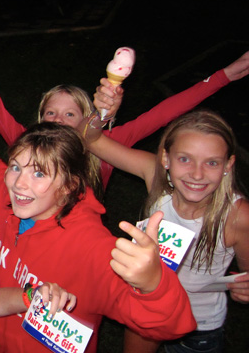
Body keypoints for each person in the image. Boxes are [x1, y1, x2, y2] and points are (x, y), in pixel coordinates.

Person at [0, 113, 196, 352]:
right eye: (15, 167)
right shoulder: (15, 202)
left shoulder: (91, 248)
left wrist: (153, 284)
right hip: (2, 344)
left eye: (39, 173)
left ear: (69, 186)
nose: (19, 183)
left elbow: (168, 325)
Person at [0, 28, 249, 192]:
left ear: (86, 119)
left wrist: (226, 75)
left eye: (70, 114)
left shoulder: (109, 146)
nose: (59, 121)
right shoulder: (28, 141)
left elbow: (163, 113)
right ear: (41, 120)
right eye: (51, 114)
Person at [82, 109, 249, 352]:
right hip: (147, 305)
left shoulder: (238, 215)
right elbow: (90, 138)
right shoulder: (156, 177)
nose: (197, 174)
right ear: (165, 159)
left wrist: (244, 288)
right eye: (184, 159)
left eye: (212, 162)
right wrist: (103, 110)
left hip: (198, 324)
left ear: (228, 165)